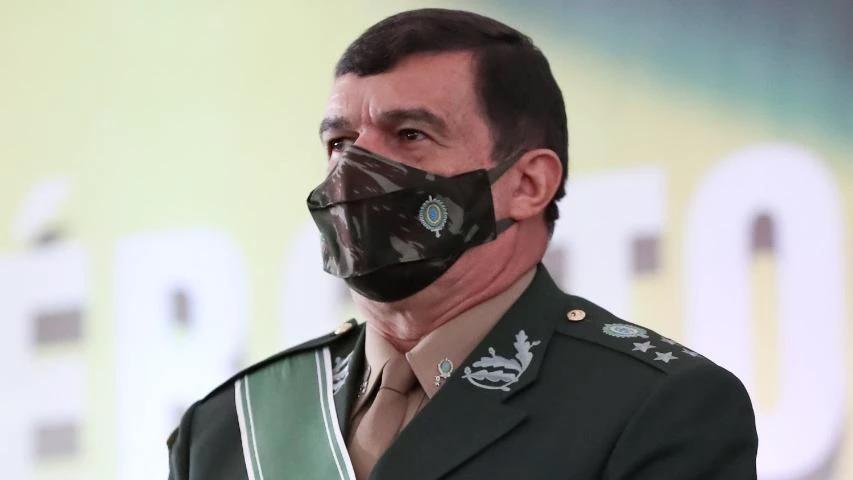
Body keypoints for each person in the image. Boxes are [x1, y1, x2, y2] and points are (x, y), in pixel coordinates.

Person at [167, 8, 758, 479]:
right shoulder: (228, 429)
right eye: (340, 142)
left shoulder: (651, 406)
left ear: (528, 184)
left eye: (410, 134)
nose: (354, 173)